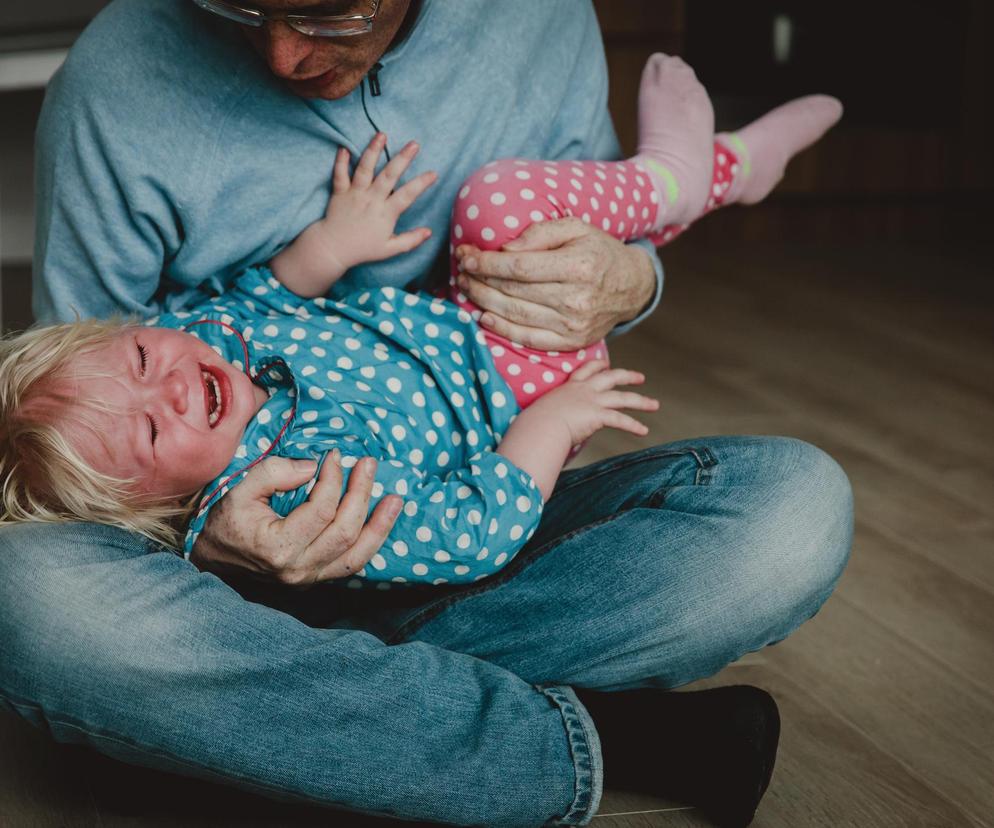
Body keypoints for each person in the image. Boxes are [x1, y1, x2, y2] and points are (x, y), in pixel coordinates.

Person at [0, 1, 854, 826]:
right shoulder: (114, 90)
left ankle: (263, 738)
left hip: (478, 496)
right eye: (242, 7)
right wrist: (204, 535)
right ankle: (604, 742)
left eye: (333, 10)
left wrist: (628, 282)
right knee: (29, 596)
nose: (284, 54)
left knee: (792, 512)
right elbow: (81, 479)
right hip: (311, 564)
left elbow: (592, 220)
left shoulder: (198, 338)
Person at [2, 62, 842, 593]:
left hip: (461, 317)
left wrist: (333, 244)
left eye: (144, 354)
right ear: (156, 510)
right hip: (517, 394)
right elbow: (468, 536)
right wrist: (546, 430)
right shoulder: (288, 495)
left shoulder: (204, 340)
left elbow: (256, 291)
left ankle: (728, 170)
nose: (174, 385)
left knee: (535, 222)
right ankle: (679, 181)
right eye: (153, 429)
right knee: (501, 200)